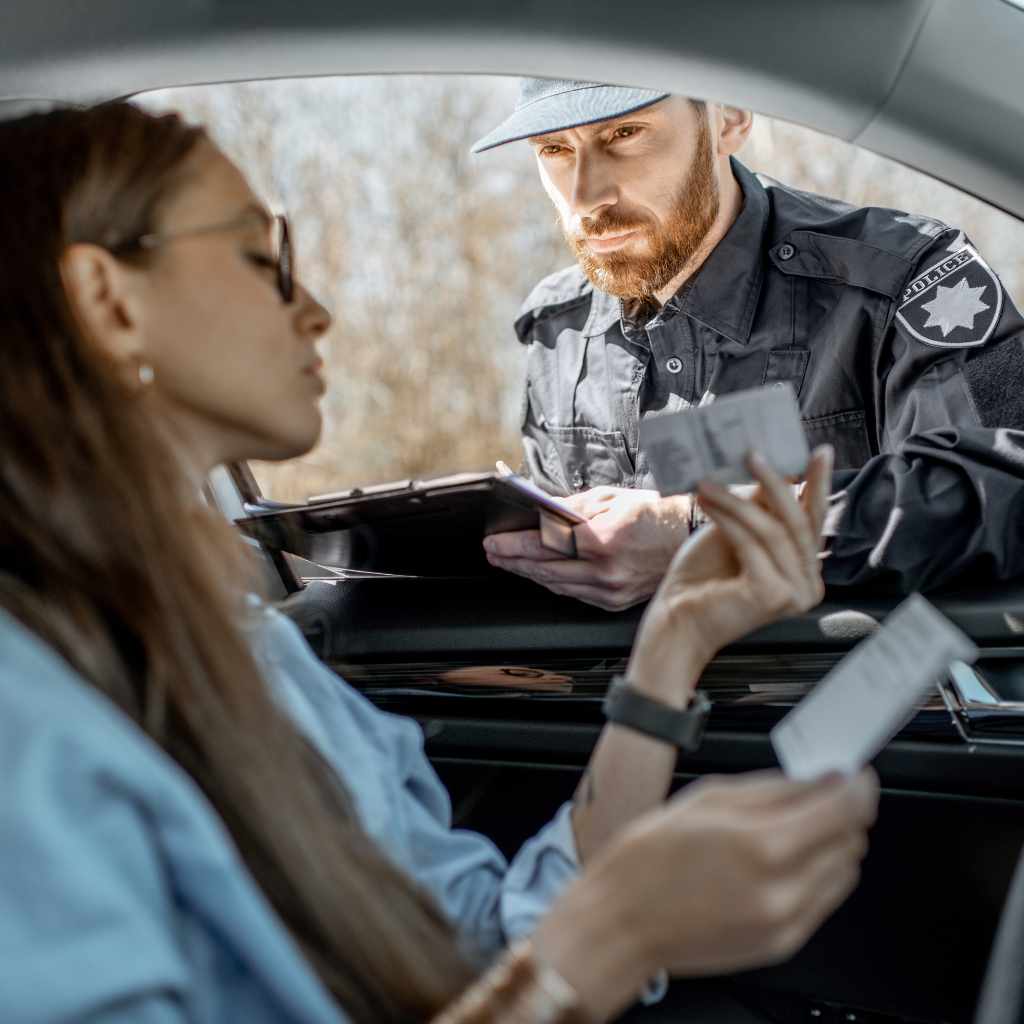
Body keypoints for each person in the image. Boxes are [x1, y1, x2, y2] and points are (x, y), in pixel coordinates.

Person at [0, 100, 876, 1024]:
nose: (318, 311)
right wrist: (603, 946)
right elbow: (537, 961)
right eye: (265, 261)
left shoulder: (254, 657)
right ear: (108, 299)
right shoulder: (26, 718)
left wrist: (674, 642)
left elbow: (485, 938)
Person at [474, 80, 1024, 609]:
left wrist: (702, 533)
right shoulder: (556, 329)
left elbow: (1002, 488)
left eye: (625, 134)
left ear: (728, 119)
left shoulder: (907, 281)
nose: (586, 196)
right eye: (554, 148)